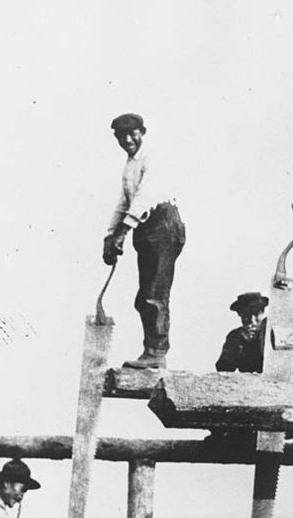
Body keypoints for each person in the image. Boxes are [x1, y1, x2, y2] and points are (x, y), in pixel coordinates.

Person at [102, 112, 186, 369]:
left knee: (154, 294)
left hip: (162, 223)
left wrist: (123, 232)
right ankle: (151, 351)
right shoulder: (130, 164)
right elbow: (124, 201)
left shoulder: (151, 158)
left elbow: (145, 196)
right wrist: (110, 235)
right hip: (146, 227)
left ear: (143, 132)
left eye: (133, 133)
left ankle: (156, 354)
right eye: (121, 136)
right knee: (144, 296)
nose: (128, 139)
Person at [215, 292, 269, 373]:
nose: (252, 320)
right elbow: (223, 368)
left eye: (256, 314)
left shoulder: (272, 333)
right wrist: (238, 346)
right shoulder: (235, 337)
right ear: (240, 315)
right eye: (247, 315)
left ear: (263, 313)